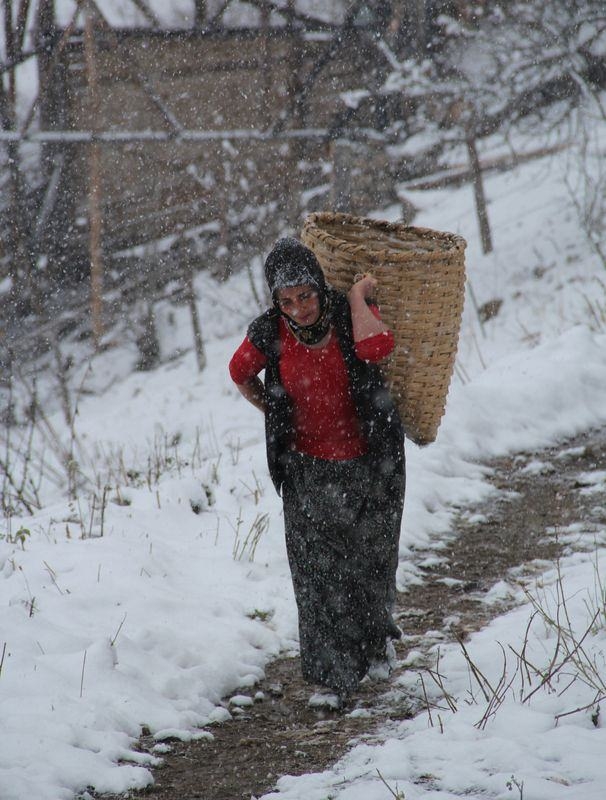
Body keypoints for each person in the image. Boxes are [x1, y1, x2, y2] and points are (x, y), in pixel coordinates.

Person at [228, 237, 405, 708]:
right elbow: (238, 371)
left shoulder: (347, 316)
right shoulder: (269, 332)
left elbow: (378, 346)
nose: (299, 309)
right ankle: (332, 679)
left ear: (320, 287)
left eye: (305, 295)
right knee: (318, 575)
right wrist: (271, 411)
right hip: (306, 469)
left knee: (370, 562)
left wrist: (353, 298)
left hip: (371, 462)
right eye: (286, 301)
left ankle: (374, 648)